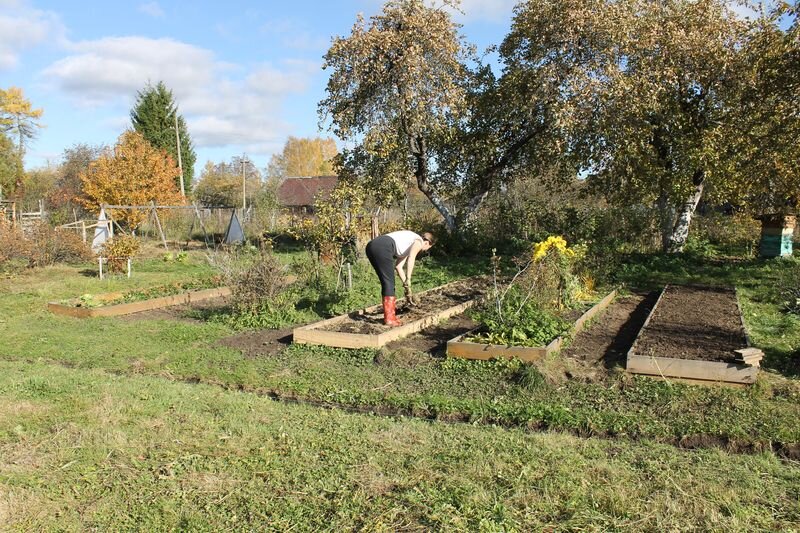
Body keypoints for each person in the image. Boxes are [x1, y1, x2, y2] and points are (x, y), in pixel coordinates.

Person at [365, 230, 434, 326]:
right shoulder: (419, 241)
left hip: (372, 246)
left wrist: (407, 286)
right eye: (427, 248)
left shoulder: (409, 242)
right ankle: (390, 319)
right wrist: (409, 278)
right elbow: (411, 258)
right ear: (427, 243)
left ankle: (389, 317)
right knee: (389, 283)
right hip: (383, 247)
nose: (425, 250)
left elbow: (398, 267)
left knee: (387, 281)